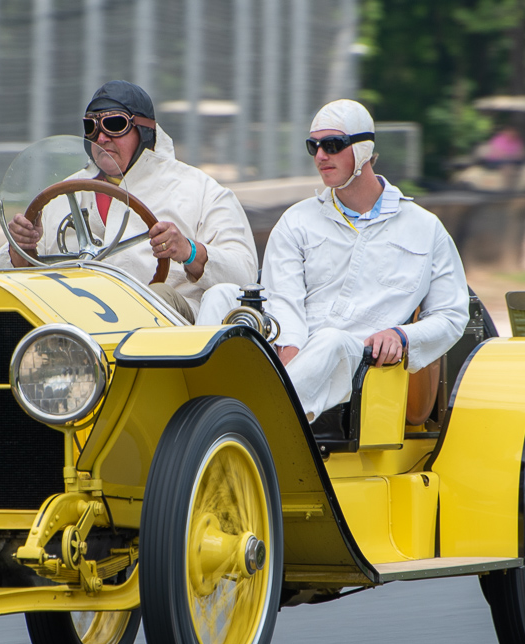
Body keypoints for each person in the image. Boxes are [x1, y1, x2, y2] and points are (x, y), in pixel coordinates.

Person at [195, 99, 470, 419]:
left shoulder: (425, 228)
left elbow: (451, 315)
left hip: (357, 356)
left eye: (333, 145)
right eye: (314, 146)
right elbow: (283, 295)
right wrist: (290, 348)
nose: (321, 155)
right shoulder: (296, 220)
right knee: (221, 296)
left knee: (331, 341)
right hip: (290, 343)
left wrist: (403, 336)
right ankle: (201, 408)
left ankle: (249, 421)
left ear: (364, 150)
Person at [0, 80, 256, 320]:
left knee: (158, 296)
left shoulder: (201, 190)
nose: (102, 137)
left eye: (115, 124)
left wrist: (189, 251)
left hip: (170, 335)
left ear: (144, 132)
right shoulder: (60, 196)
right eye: (91, 127)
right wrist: (21, 249)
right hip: (71, 331)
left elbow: (244, 276)